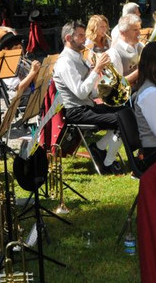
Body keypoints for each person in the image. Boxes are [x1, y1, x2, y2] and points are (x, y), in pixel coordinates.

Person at [52, 21, 124, 174]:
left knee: (126, 111)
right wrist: (96, 69)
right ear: (68, 38)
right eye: (80, 35)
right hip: (76, 111)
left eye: (84, 35)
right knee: (121, 120)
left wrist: (109, 89)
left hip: (87, 106)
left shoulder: (79, 57)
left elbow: (90, 92)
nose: (84, 39)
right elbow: (80, 92)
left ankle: (98, 149)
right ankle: (107, 162)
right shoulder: (65, 62)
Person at [107, 13, 143, 89]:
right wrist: (141, 70)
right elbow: (118, 83)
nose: (139, 33)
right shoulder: (114, 53)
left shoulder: (141, 46)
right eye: (135, 30)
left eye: (139, 29)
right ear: (123, 32)